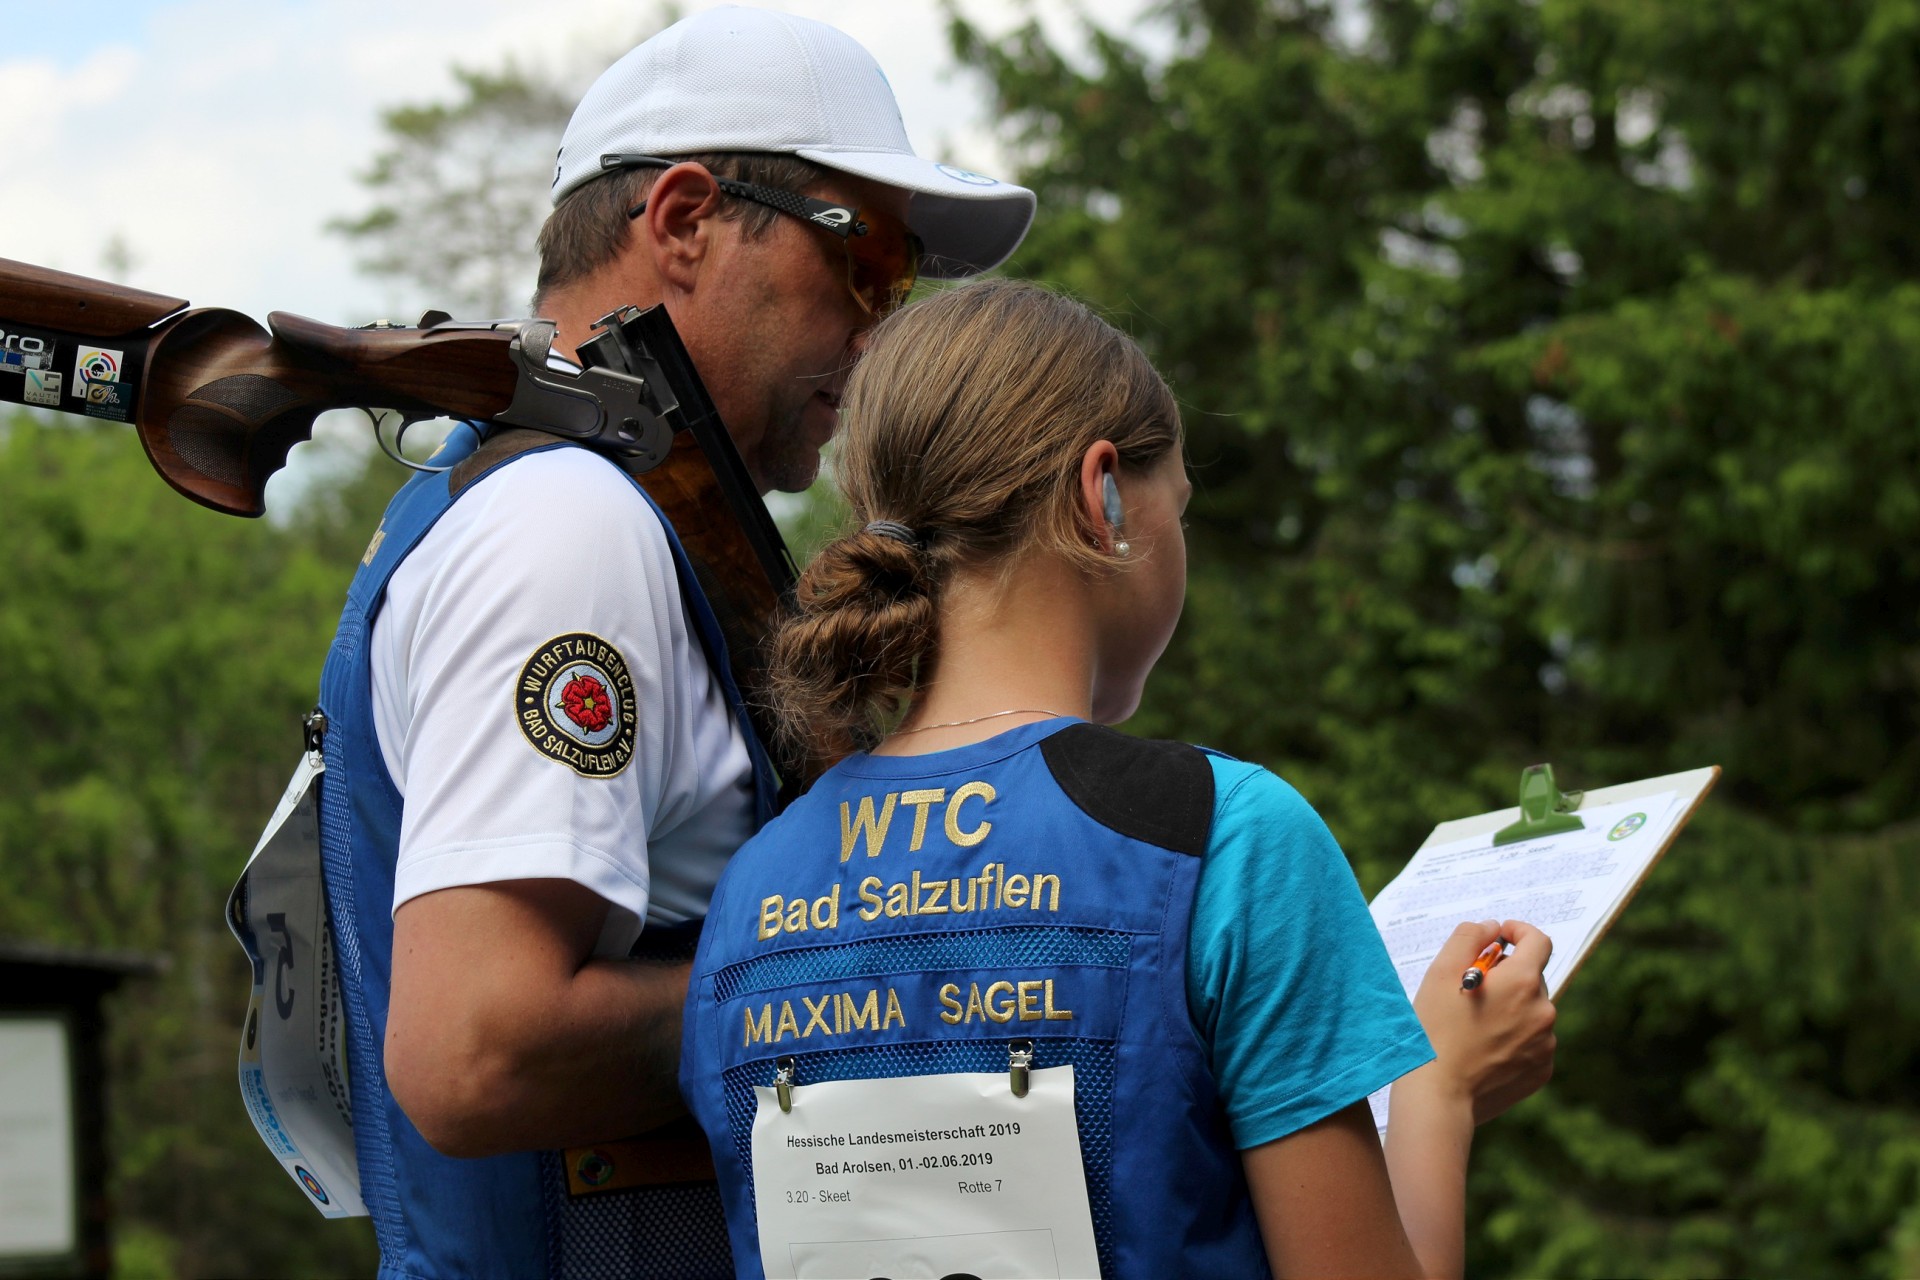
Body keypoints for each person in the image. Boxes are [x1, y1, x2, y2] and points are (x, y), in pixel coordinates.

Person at [306, 9, 1034, 1279]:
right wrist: (876, 983)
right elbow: (476, 1050)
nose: (882, 328)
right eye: (864, 260)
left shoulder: (548, 496)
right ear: (688, 221)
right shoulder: (568, 520)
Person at [678, 279, 1559, 1279]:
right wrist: (1442, 1094)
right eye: (1177, 506)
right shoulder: (1227, 837)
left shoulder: (754, 889)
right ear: (1102, 497)